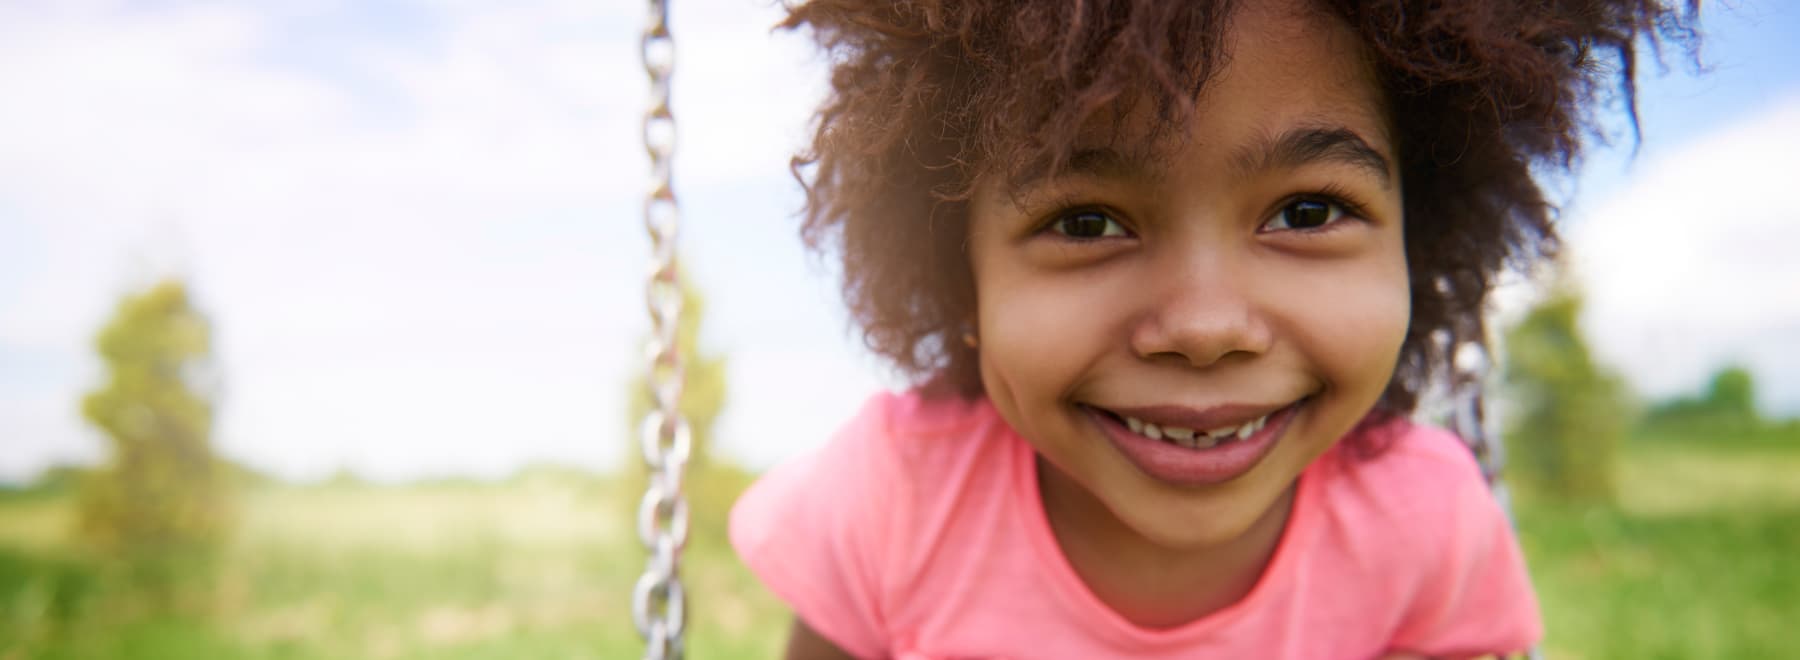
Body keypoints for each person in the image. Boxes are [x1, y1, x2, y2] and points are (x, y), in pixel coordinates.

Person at [730, 0, 1693, 657]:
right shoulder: (892, 503)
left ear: (1422, 229)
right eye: (1086, 223)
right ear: (957, 270)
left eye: (1308, 213)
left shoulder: (1421, 526)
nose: (1203, 327)